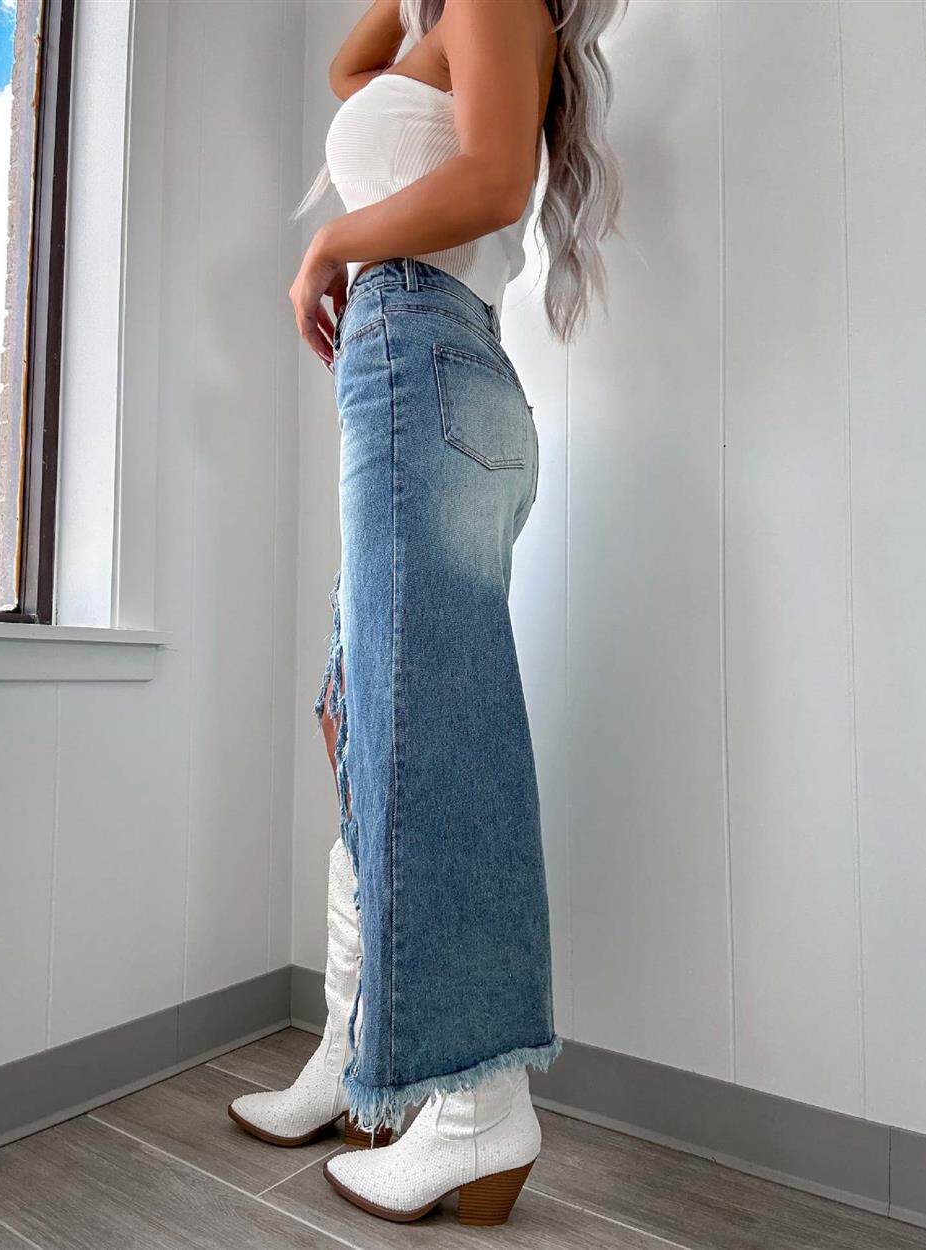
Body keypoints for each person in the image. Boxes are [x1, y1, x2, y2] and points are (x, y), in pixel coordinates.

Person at [229, 0, 624, 1226]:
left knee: (425, 732)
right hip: (419, 367)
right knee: (358, 721)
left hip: (421, 353)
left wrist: (328, 242)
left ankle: (478, 1105)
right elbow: (351, 68)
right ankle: (366, 1061)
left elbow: (495, 178)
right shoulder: (434, 32)